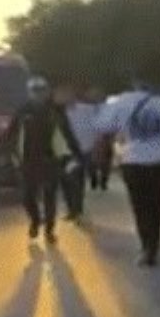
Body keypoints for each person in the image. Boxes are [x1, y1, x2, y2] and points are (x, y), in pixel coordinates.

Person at [95, 79, 160, 266]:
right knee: (155, 202)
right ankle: (154, 244)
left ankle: (146, 246)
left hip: (133, 161)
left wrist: (101, 157)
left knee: (139, 205)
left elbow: (103, 129)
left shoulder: (120, 102)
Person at [7, 77, 83, 244]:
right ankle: (35, 220)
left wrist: (75, 155)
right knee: (28, 197)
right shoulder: (22, 111)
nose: (38, 94)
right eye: (35, 91)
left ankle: (49, 230)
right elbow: (11, 135)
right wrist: (12, 155)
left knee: (50, 197)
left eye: (41, 90)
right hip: (28, 161)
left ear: (46, 92)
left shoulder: (54, 112)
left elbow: (67, 134)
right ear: (29, 92)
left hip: (50, 160)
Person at [61, 84, 99, 222]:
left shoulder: (87, 110)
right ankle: (72, 208)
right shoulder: (59, 113)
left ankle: (77, 209)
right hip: (64, 151)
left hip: (82, 150)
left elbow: (97, 126)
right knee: (65, 181)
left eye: (68, 94)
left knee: (76, 179)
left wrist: (94, 146)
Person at [84, 86, 112, 191]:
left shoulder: (108, 108)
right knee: (93, 160)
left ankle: (102, 180)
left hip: (104, 136)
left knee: (105, 160)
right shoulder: (87, 109)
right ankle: (95, 178)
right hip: (93, 136)